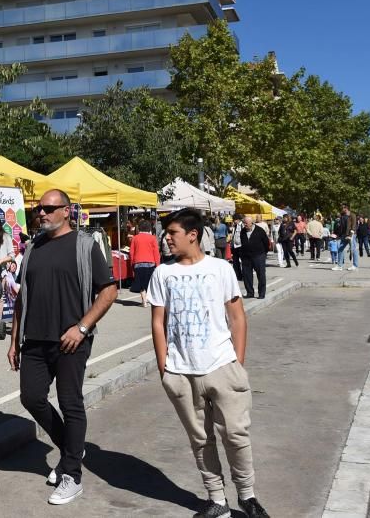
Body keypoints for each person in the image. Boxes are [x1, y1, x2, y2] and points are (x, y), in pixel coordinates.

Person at [148, 208, 270, 518]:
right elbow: (158, 323)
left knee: (236, 434)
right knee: (200, 439)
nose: (166, 239)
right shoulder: (163, 273)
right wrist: (165, 370)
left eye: (172, 233)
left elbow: (237, 316)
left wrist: (237, 363)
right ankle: (217, 500)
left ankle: (247, 496)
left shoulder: (221, 269)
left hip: (222, 365)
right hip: (180, 371)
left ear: (192, 235)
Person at [9, 189, 118, 506]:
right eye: (38, 208)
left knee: (71, 403)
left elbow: (108, 292)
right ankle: (73, 448)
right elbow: (21, 297)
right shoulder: (33, 248)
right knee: (31, 398)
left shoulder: (84, 245)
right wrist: (14, 339)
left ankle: (72, 474)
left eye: (48, 208)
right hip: (34, 340)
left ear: (67, 211)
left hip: (72, 340)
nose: (41, 213)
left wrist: (82, 327)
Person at [129, 218, 160, 307]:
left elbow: (131, 252)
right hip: (151, 262)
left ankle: (144, 301)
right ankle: (149, 300)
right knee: (150, 283)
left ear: (139, 228)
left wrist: (132, 264)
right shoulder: (152, 238)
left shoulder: (135, 238)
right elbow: (156, 253)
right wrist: (158, 265)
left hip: (138, 263)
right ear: (149, 228)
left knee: (141, 284)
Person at [238, 215, 271, 299]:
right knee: (247, 275)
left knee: (261, 275)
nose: (244, 224)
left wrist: (263, 253)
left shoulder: (260, 231)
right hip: (246, 257)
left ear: (251, 223)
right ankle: (250, 293)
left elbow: (266, 243)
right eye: (244, 223)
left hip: (258, 256)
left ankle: (261, 293)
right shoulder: (242, 231)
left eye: (246, 223)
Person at [336, 205, 358, 271]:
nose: (341, 209)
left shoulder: (352, 215)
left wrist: (351, 235)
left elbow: (354, 225)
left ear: (346, 208)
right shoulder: (342, 216)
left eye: (342, 208)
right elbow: (341, 227)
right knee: (340, 248)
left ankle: (355, 265)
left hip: (351, 235)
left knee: (353, 249)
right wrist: (338, 235)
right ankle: (339, 266)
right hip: (344, 235)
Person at [229, 213, 244, 279]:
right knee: (235, 262)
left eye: (234, 220)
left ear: (237, 219)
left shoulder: (242, 225)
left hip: (241, 246)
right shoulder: (235, 226)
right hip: (234, 246)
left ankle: (245, 275)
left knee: (243, 261)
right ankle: (238, 275)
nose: (233, 221)